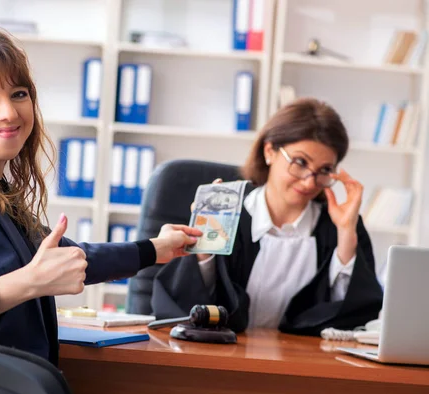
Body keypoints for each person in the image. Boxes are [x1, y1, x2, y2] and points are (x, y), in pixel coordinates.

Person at [0, 27, 201, 366]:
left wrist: (156, 249)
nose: (9, 112)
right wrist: (27, 282)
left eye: (18, 94)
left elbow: (72, 259)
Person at [149, 98, 383, 335]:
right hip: (223, 357)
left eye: (324, 170)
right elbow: (183, 311)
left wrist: (345, 236)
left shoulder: (339, 225)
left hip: (299, 363)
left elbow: (351, 319)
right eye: (300, 162)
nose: (310, 181)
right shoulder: (226, 214)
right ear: (269, 151)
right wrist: (204, 247)